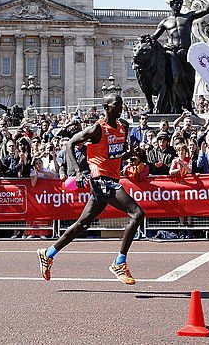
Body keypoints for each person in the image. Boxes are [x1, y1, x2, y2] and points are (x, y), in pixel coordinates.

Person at [38, 93, 144, 285]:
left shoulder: (123, 127)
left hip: (111, 178)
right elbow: (69, 144)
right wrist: (77, 172)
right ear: (107, 107)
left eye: (121, 104)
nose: (121, 108)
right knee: (137, 213)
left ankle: (48, 253)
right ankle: (119, 262)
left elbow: (115, 154)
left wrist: (130, 154)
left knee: (82, 224)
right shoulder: (96, 128)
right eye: (117, 104)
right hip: (101, 180)